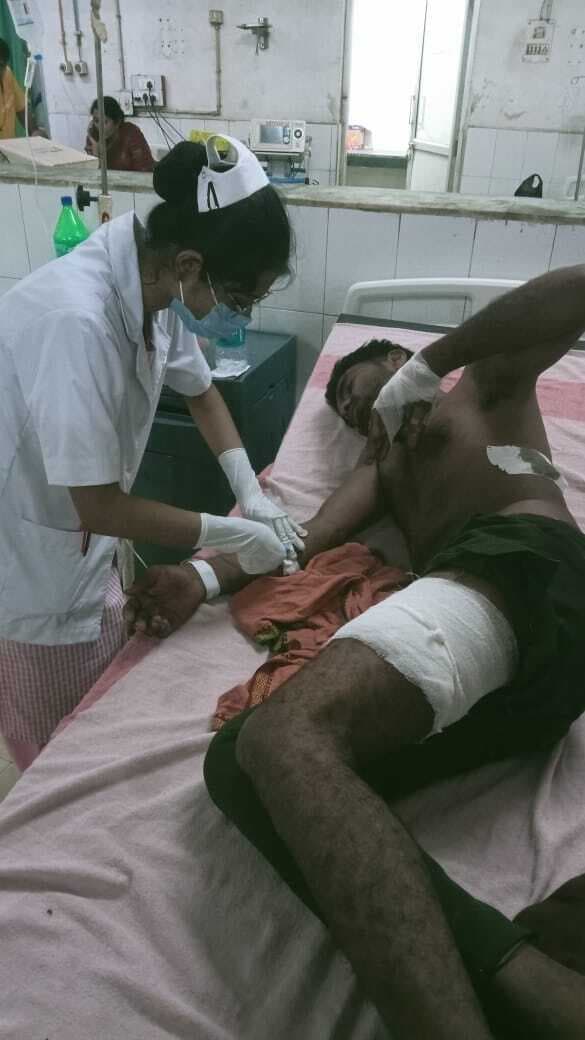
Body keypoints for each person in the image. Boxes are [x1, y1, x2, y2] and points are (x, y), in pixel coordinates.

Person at [128, 269, 585, 1037]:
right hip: (534, 692)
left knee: (285, 737)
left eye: (354, 385)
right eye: (338, 402)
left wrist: (430, 365)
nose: (345, 404)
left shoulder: (480, 388)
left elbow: (576, 288)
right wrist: (198, 577)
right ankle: (521, 980)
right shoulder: (378, 468)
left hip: (529, 566)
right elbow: (302, 543)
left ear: (393, 363)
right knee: (240, 764)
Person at [0, 135, 305, 771]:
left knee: (98, 698)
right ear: (190, 264)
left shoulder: (156, 285)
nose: (241, 316)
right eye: (239, 299)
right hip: (27, 567)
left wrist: (250, 491)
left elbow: (202, 393)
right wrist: (232, 535)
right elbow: (97, 506)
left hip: (79, 542)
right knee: (58, 758)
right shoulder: (77, 321)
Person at [85, 95, 154, 172]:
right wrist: (96, 156)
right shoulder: (93, 135)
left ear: (117, 122)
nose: (99, 127)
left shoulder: (130, 133)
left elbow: (145, 170)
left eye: (105, 122)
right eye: (96, 121)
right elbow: (91, 174)